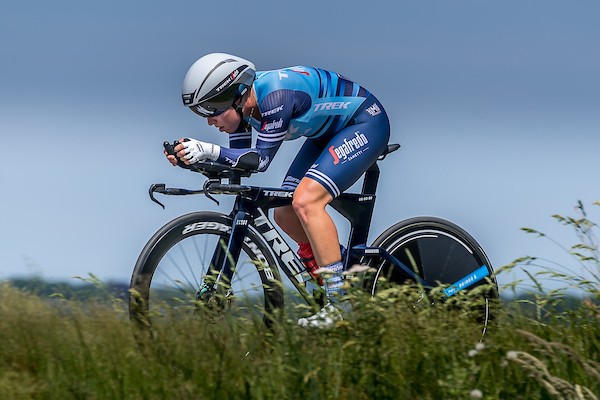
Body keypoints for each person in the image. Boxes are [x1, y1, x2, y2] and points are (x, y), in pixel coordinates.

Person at [166, 53, 391, 327]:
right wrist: (192, 160)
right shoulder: (246, 110)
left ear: (236, 95)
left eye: (212, 108)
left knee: (307, 202)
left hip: (364, 124)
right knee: (285, 212)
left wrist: (209, 150)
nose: (209, 120)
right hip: (327, 134)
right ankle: (342, 272)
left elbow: (259, 160)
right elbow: (239, 163)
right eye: (202, 111)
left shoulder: (274, 97)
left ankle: (340, 302)